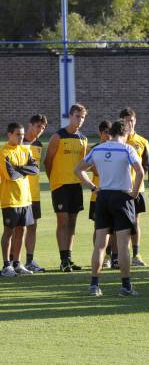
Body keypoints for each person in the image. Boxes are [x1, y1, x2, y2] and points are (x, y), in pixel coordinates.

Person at [75, 120, 144, 296]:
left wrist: (93, 187)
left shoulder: (98, 149)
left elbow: (79, 170)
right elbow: (140, 172)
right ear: (125, 133)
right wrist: (135, 193)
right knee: (123, 245)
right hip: (122, 197)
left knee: (100, 245)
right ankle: (126, 287)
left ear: (111, 132)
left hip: (103, 196)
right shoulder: (127, 149)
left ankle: (94, 285)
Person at [44, 103, 88, 272]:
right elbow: (48, 161)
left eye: (82, 117)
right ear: (70, 116)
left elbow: (83, 164)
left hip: (75, 186)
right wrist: (54, 180)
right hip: (60, 185)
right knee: (62, 221)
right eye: (77, 116)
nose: (80, 120)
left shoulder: (83, 139)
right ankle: (63, 260)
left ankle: (69, 258)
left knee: (72, 222)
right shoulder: (58, 136)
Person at [0, 123, 39, 277]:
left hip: (25, 198)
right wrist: (24, 170)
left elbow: (35, 169)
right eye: (18, 134)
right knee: (9, 231)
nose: (21, 137)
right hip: (10, 199)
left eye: (22, 134)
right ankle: (6, 265)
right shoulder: (4, 153)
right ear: (9, 135)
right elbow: (11, 175)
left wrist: (18, 169)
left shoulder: (25, 150)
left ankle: (17, 263)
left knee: (22, 230)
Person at [17, 114, 48, 273]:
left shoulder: (39, 144)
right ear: (30, 125)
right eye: (38, 126)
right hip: (19, 193)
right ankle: (14, 262)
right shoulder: (19, 142)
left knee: (32, 226)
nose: (40, 130)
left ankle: (29, 261)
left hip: (34, 194)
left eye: (43, 128)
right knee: (18, 228)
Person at [120, 107, 149, 267]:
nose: (129, 124)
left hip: (137, 189)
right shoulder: (117, 141)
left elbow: (146, 166)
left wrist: (138, 183)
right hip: (120, 189)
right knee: (117, 222)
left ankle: (136, 255)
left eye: (131, 120)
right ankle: (113, 256)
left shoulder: (143, 141)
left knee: (135, 221)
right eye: (126, 121)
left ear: (135, 121)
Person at [88, 121, 115, 268]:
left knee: (114, 228)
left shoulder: (116, 148)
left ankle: (113, 256)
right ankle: (100, 256)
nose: (108, 135)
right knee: (98, 228)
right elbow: (95, 170)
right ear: (100, 133)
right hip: (98, 195)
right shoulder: (95, 149)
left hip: (113, 193)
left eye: (110, 132)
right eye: (105, 132)